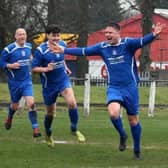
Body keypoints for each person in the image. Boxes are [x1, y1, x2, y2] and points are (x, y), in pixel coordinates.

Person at [49, 22, 165, 158]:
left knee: (133, 120)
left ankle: (137, 150)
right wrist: (64, 50)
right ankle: (123, 135)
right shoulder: (102, 47)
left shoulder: (128, 44)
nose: (107, 35)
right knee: (113, 113)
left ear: (118, 33)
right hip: (114, 87)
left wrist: (154, 34)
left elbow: (142, 41)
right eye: (106, 33)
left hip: (130, 88)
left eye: (110, 32)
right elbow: (83, 51)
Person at [31, 24, 85, 147]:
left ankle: (74, 129)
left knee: (72, 103)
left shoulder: (63, 45)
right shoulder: (41, 51)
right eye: (53, 36)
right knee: (50, 113)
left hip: (63, 80)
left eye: (58, 35)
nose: (56, 38)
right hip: (49, 85)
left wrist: (65, 67)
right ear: (47, 36)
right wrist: (46, 69)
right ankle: (48, 134)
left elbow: (61, 58)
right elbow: (34, 68)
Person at [0, 28, 41, 138]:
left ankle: (35, 128)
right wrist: (11, 66)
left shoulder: (28, 46)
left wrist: (34, 63)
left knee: (31, 103)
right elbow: (1, 62)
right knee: (15, 105)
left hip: (27, 81)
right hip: (14, 83)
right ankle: (10, 117)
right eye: (20, 35)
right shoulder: (9, 50)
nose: (22, 36)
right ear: (15, 36)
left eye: (24, 34)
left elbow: (30, 57)